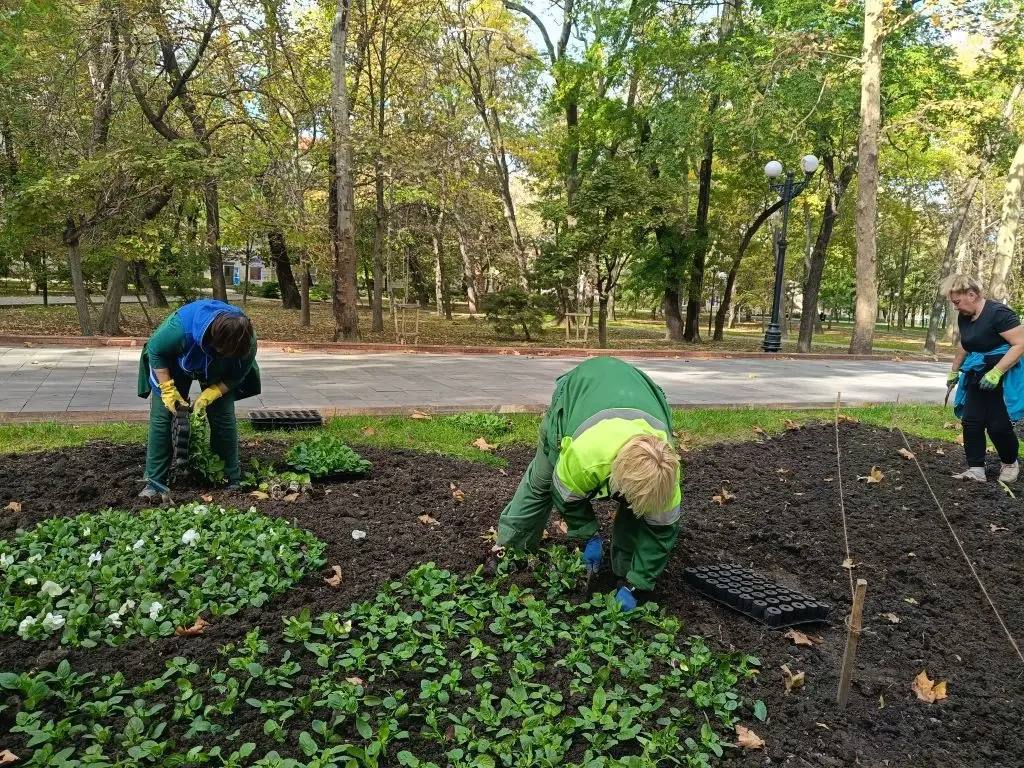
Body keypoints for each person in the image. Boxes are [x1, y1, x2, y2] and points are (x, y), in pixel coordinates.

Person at [496, 356, 682, 610]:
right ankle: (511, 548)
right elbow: (564, 495)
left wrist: (637, 584)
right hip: (580, 389)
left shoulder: (665, 475)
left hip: (639, 388)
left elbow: (661, 532)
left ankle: (625, 570)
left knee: (639, 508)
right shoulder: (585, 457)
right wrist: (587, 534)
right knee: (541, 482)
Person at [136, 299, 260, 500]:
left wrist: (213, 392)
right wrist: (167, 389)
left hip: (219, 369)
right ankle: (155, 482)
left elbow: (237, 375)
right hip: (174, 361)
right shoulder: (179, 330)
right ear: (214, 341)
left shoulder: (247, 343)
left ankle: (229, 477)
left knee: (223, 416)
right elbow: (155, 350)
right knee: (163, 416)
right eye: (224, 351)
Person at [945, 275, 1024, 483]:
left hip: (1003, 375)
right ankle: (976, 469)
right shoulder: (965, 316)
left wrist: (997, 372)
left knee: (998, 424)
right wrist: (954, 371)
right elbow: (965, 344)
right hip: (977, 374)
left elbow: (1020, 344)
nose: (955, 307)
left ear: (972, 295)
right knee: (971, 421)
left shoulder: (999, 314)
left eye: (957, 302)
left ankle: (1010, 463)